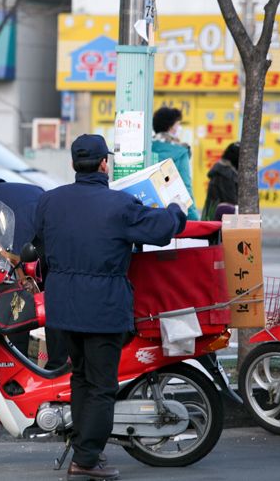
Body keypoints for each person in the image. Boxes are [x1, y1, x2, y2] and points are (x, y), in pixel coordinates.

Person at [34, 134, 187, 481]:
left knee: (80, 378)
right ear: (105, 163)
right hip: (102, 307)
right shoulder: (120, 204)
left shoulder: (49, 202)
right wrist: (177, 207)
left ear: (74, 164)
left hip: (61, 306)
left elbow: (39, 243)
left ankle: (82, 447)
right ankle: (87, 459)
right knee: (103, 385)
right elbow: (162, 230)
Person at [0, 178, 68, 370]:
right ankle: (57, 363)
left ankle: (16, 361)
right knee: (50, 298)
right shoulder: (27, 190)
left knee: (17, 297)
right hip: (51, 238)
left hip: (28, 244)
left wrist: (13, 270)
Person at [152, 106, 199, 219]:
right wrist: (193, 217)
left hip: (150, 211)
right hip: (173, 214)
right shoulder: (180, 151)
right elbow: (185, 187)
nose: (179, 127)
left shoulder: (147, 148)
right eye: (178, 124)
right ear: (171, 127)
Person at [201, 142, 240, 221]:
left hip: (212, 218)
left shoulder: (222, 170)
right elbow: (231, 203)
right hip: (219, 222)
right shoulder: (225, 175)